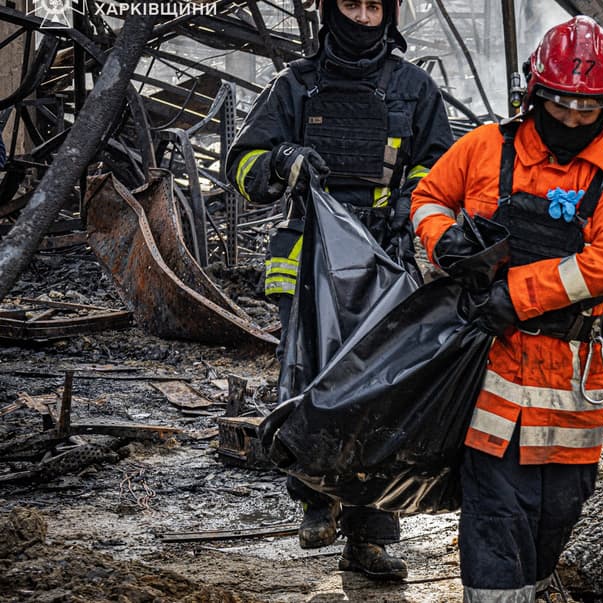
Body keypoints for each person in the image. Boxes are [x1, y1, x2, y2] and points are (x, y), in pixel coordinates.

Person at [410, 15, 603, 601]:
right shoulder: (487, 146)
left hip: (571, 375)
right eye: (560, 103)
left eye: (585, 109)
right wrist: (443, 239)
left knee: (558, 510)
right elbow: (428, 197)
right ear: (534, 92)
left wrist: (516, 296)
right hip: (491, 367)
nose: (569, 118)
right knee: (496, 510)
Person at [226, 0, 452, 581]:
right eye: (350, 3)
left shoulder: (413, 88)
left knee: (381, 396)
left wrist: (412, 201)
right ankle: (313, 499)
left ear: (390, 12)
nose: (362, 15)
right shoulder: (294, 86)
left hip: (384, 259)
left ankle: (369, 539)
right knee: (310, 380)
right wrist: (281, 160)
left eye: (374, 5)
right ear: (330, 10)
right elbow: (244, 164)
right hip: (308, 261)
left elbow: (443, 168)